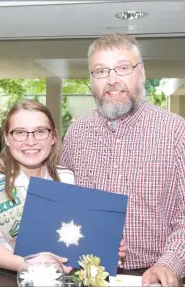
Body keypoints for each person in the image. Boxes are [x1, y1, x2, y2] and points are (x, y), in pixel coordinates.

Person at [61, 33, 185, 287]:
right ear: (91, 80)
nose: (112, 80)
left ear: (142, 72)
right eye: (101, 71)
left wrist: (168, 263)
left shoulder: (176, 132)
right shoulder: (76, 133)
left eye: (123, 68)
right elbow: (66, 206)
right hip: (87, 274)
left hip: (154, 276)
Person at [0, 99, 126, 272]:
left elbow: (75, 232)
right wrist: (27, 265)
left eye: (40, 131)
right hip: (4, 277)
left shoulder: (66, 177)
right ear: (7, 138)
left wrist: (106, 245)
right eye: (20, 132)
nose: (31, 141)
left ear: (53, 137)